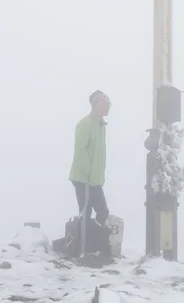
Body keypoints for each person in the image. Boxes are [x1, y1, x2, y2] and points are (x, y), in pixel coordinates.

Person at [69, 89, 113, 264]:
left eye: (109, 103)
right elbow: (80, 149)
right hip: (83, 178)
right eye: (104, 102)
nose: (108, 106)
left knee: (102, 212)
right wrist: (87, 172)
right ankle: (82, 252)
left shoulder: (101, 126)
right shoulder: (85, 124)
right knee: (86, 212)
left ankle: (97, 248)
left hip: (95, 179)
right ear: (95, 105)